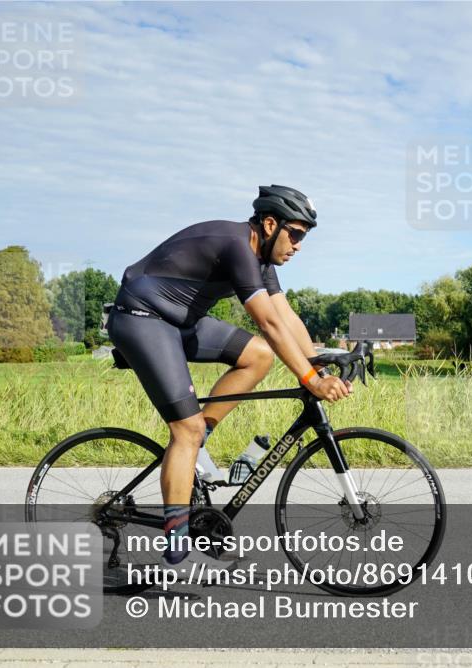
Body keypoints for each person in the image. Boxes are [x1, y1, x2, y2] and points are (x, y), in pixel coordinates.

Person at [107, 185, 349, 568]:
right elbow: (268, 322)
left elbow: (286, 318)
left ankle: (198, 441)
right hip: (141, 319)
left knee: (257, 356)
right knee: (182, 430)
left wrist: (320, 365)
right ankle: (177, 552)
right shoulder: (237, 246)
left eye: (304, 237)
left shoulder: (262, 262)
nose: (299, 245)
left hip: (179, 321)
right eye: (296, 234)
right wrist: (310, 380)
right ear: (270, 224)